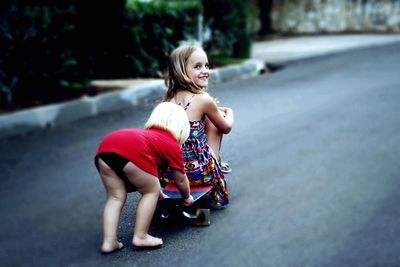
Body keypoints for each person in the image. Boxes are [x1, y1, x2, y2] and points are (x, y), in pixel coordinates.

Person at [94, 102, 194, 253]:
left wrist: (160, 193)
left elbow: (144, 175)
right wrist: (187, 197)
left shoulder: (149, 136)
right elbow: (180, 178)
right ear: (182, 126)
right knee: (150, 191)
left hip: (106, 148)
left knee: (115, 198)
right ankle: (140, 236)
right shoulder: (171, 143)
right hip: (131, 150)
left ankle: (109, 242)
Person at [162, 43, 234, 208]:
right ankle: (216, 164)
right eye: (197, 66)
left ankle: (214, 163)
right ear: (181, 71)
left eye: (207, 66)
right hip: (198, 175)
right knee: (217, 120)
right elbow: (226, 127)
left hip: (169, 175)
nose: (205, 71)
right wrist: (229, 111)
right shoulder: (203, 99)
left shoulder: (170, 98)